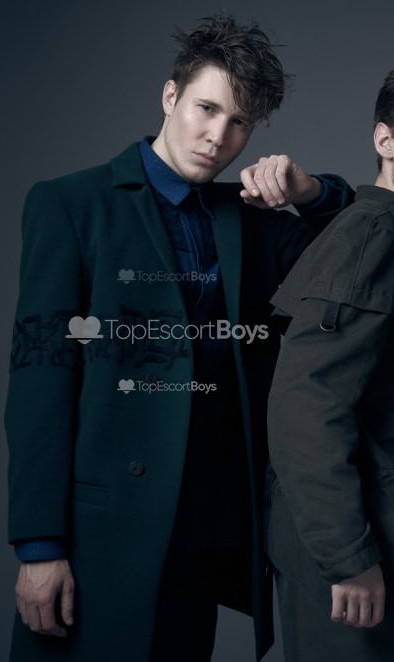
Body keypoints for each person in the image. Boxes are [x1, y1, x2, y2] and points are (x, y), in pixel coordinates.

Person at [5, 14, 353, 662]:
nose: (218, 136)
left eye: (239, 122)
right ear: (170, 96)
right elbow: (39, 377)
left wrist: (311, 192)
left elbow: (356, 253)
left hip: (203, 528)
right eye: (206, 108)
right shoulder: (73, 205)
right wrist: (38, 545)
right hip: (100, 530)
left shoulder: (252, 221)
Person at [266, 70, 394, 662]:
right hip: (357, 556)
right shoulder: (372, 238)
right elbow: (305, 404)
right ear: (386, 140)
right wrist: (348, 557)